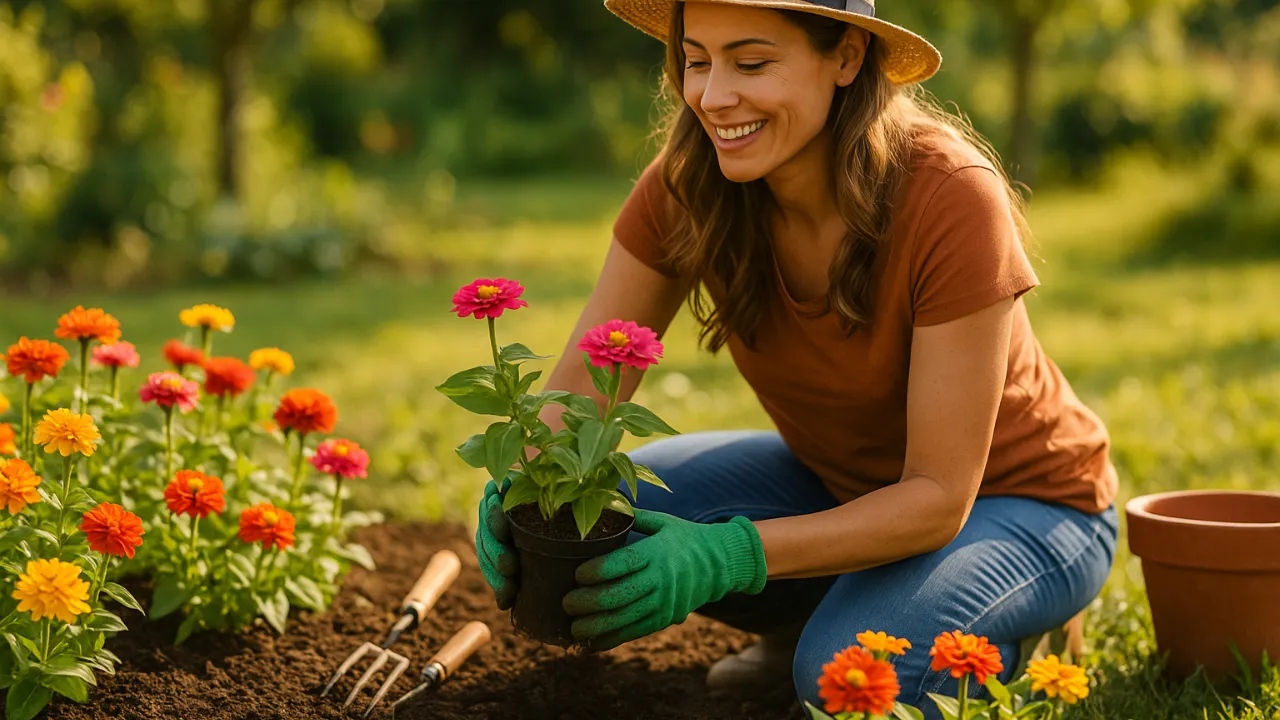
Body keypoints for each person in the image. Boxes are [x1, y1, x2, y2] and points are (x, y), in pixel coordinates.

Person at [474, 0, 1120, 713]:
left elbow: (937, 499)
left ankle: (1005, 641)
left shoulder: (949, 196)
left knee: (846, 682)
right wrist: (525, 488)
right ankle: (812, 618)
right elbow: (576, 399)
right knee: (601, 510)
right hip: (844, 489)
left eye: (751, 63)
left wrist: (728, 555)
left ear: (846, 56)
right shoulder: (689, 185)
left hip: (1023, 507)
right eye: (696, 60)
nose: (714, 97)